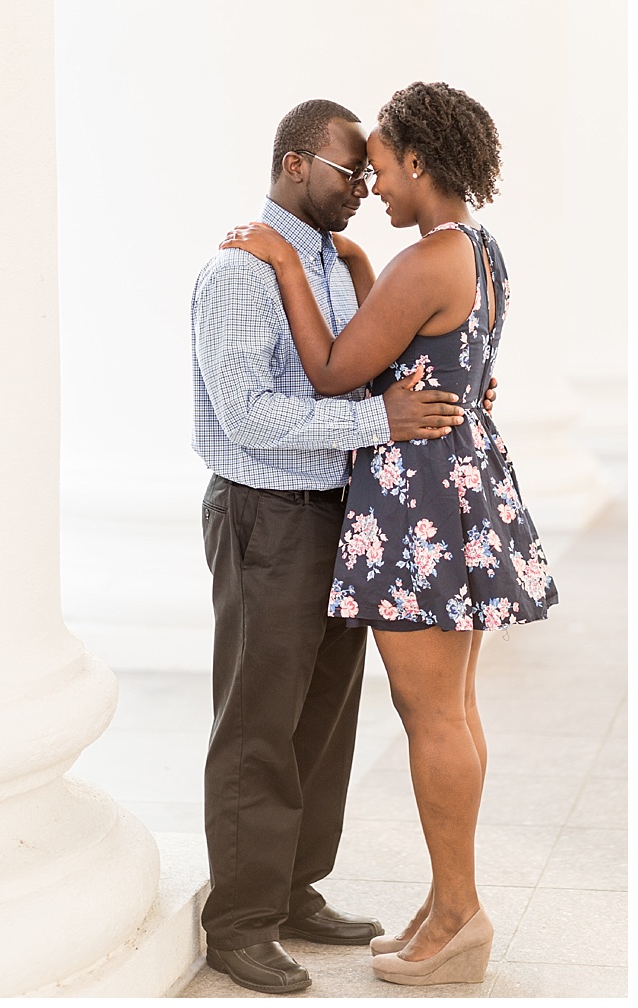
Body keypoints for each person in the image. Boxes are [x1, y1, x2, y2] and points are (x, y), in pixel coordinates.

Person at [221, 81, 555, 987]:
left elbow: (333, 372)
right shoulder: (477, 252)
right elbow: (433, 352)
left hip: (420, 499)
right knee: (454, 705)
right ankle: (449, 906)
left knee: (430, 710)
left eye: (380, 166)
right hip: (460, 487)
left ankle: (458, 913)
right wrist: (362, 271)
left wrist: (291, 267)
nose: (373, 184)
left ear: (417, 161)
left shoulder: (423, 261)